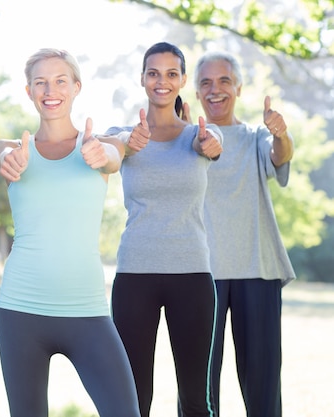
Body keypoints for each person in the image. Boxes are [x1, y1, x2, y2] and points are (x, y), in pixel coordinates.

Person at [0, 48, 140, 417]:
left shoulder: (100, 145)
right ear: (29, 91)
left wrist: (102, 155)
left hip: (86, 312)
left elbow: (115, 157)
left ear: (76, 87)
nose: (50, 89)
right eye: (40, 82)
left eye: (60, 80)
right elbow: (1, 158)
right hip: (20, 311)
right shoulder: (10, 150)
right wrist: (10, 161)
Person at [105, 42, 222, 417]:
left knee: (194, 400)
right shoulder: (122, 135)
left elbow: (215, 146)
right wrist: (125, 143)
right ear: (142, 78)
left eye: (172, 74)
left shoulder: (200, 135)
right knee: (133, 397)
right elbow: (104, 150)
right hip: (135, 275)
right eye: (153, 73)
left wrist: (210, 142)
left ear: (182, 80)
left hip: (192, 275)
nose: (162, 81)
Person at [190, 51, 295, 417]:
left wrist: (281, 134)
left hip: (258, 270)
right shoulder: (188, 137)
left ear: (238, 87)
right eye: (206, 82)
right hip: (203, 275)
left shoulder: (255, 136)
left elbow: (279, 156)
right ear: (196, 91)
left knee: (264, 385)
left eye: (223, 81)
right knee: (198, 388)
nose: (215, 89)